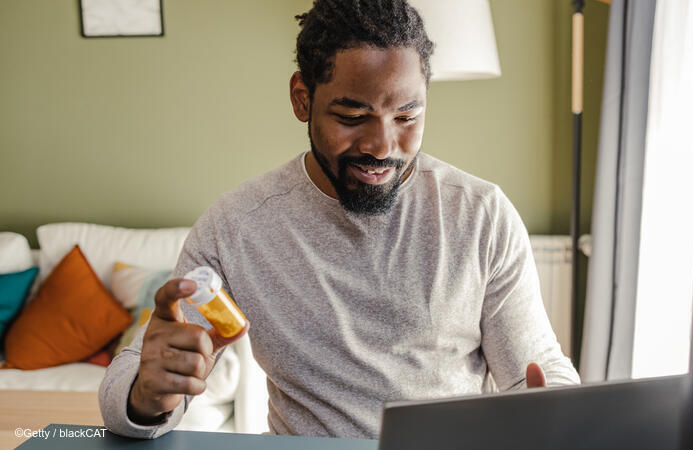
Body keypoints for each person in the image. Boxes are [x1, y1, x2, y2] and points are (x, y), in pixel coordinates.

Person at [99, 0, 580, 440]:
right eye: (353, 115)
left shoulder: (481, 215)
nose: (382, 146)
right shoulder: (237, 227)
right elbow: (128, 388)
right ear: (302, 99)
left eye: (407, 116)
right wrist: (146, 393)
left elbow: (535, 367)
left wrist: (555, 407)